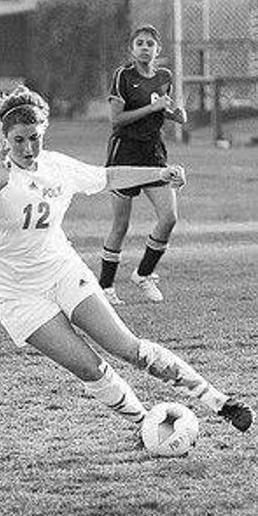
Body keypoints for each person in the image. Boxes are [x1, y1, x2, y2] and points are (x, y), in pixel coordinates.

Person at [0, 85, 253, 440]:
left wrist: (159, 173)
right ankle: (148, 427)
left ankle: (219, 401)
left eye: (35, 138)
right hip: (15, 292)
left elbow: (108, 177)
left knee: (129, 348)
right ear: (4, 138)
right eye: (18, 140)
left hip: (61, 270)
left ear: (44, 132)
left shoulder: (57, 166)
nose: (28, 149)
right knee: (90, 368)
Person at [98, 24, 187, 305]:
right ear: (132, 48)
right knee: (121, 224)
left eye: (150, 43)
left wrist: (175, 116)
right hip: (125, 153)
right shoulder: (123, 76)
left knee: (169, 217)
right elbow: (117, 119)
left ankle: (144, 274)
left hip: (154, 154)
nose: (145, 47)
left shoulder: (164, 76)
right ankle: (105, 287)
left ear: (158, 50)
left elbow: (160, 110)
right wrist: (153, 108)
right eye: (140, 43)